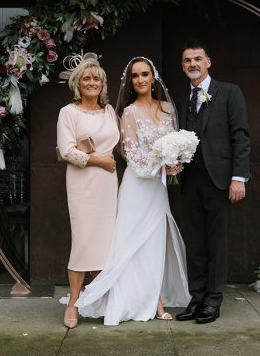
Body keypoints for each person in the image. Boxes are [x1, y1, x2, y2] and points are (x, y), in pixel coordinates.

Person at [73, 56, 190, 326]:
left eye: (145, 74)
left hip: (158, 190)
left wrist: (175, 165)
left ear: (153, 78)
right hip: (137, 187)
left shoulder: (167, 109)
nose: (140, 80)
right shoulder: (128, 113)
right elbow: (133, 157)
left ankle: (155, 296)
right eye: (135, 75)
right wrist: (161, 165)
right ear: (131, 81)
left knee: (154, 244)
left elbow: (176, 146)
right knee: (132, 245)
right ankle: (155, 301)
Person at [175, 40, 251, 324]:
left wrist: (238, 177)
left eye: (197, 58)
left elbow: (241, 137)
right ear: (182, 66)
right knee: (195, 242)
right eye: (187, 60)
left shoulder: (230, 92)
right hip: (191, 181)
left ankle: (214, 300)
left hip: (220, 181)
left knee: (216, 242)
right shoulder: (183, 101)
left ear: (208, 62)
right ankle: (196, 298)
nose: (192, 64)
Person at [56, 57, 120, 329]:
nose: (92, 83)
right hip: (83, 182)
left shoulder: (109, 113)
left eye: (97, 79)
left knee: (105, 244)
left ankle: (100, 299)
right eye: (87, 79)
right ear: (78, 83)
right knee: (83, 241)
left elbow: (121, 144)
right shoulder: (68, 112)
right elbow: (66, 151)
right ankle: (73, 302)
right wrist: (98, 161)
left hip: (107, 184)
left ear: (103, 84)